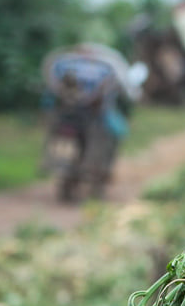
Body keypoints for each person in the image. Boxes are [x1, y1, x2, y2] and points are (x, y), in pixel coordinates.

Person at [40, 42, 137, 201]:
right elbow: (123, 90)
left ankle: (80, 173)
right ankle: (96, 174)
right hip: (90, 116)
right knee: (108, 136)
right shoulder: (108, 66)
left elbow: (52, 90)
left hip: (67, 115)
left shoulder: (62, 63)